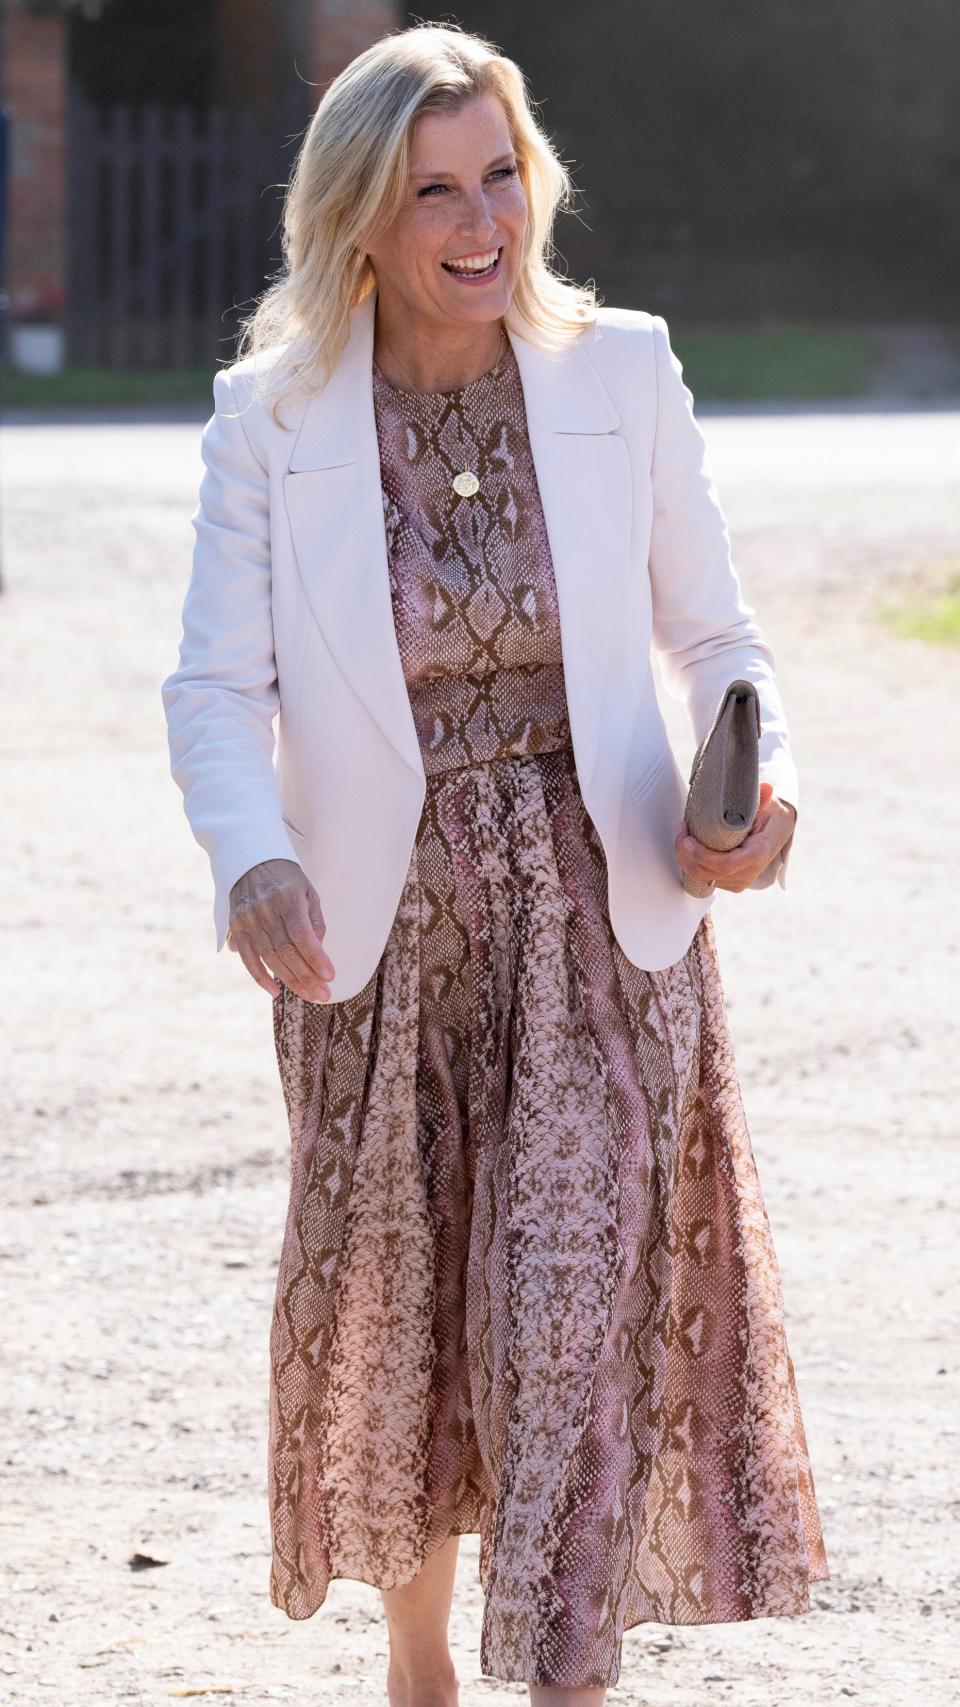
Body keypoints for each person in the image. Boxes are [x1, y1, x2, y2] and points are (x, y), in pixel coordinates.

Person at [161, 21, 829, 1706]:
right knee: (416, 1307)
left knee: (571, 1301)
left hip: (598, 912)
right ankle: (418, 1660)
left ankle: (563, 1675)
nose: (482, 220)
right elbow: (213, 690)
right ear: (361, 220)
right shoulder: (275, 414)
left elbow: (722, 641)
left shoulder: (622, 372)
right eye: (434, 188)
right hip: (376, 942)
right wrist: (251, 860)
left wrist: (760, 789)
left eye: (501, 174)